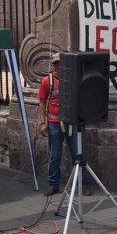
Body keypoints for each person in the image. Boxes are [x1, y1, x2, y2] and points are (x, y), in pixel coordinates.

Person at [37, 52, 90, 197]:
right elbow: (41, 102)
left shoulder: (73, 79)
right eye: (56, 64)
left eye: (61, 64)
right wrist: (42, 122)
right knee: (55, 155)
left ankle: (83, 184)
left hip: (72, 122)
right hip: (54, 122)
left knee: (77, 154)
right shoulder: (47, 81)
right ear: (53, 65)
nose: (58, 67)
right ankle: (53, 185)